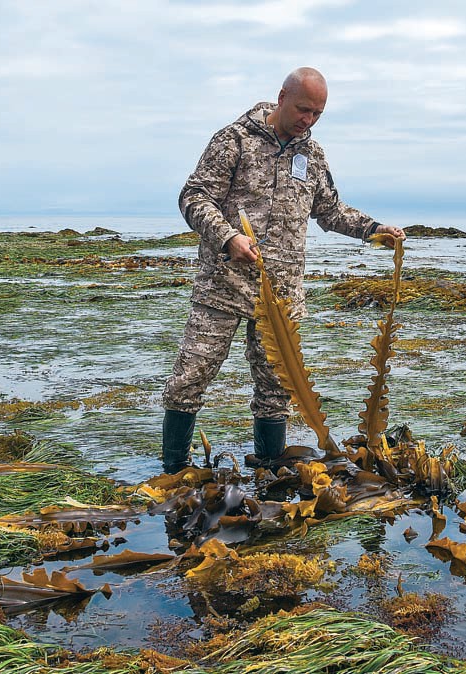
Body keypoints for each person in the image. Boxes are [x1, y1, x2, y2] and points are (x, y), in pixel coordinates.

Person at [161, 67, 405, 473]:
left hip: (282, 293)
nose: (308, 120)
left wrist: (374, 229)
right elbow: (194, 197)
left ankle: (270, 469)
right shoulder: (233, 140)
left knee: (276, 388)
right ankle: (173, 469)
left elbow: (329, 210)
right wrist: (227, 237)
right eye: (303, 109)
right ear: (281, 97)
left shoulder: (313, 155)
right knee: (190, 378)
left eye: (317, 114)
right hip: (223, 285)